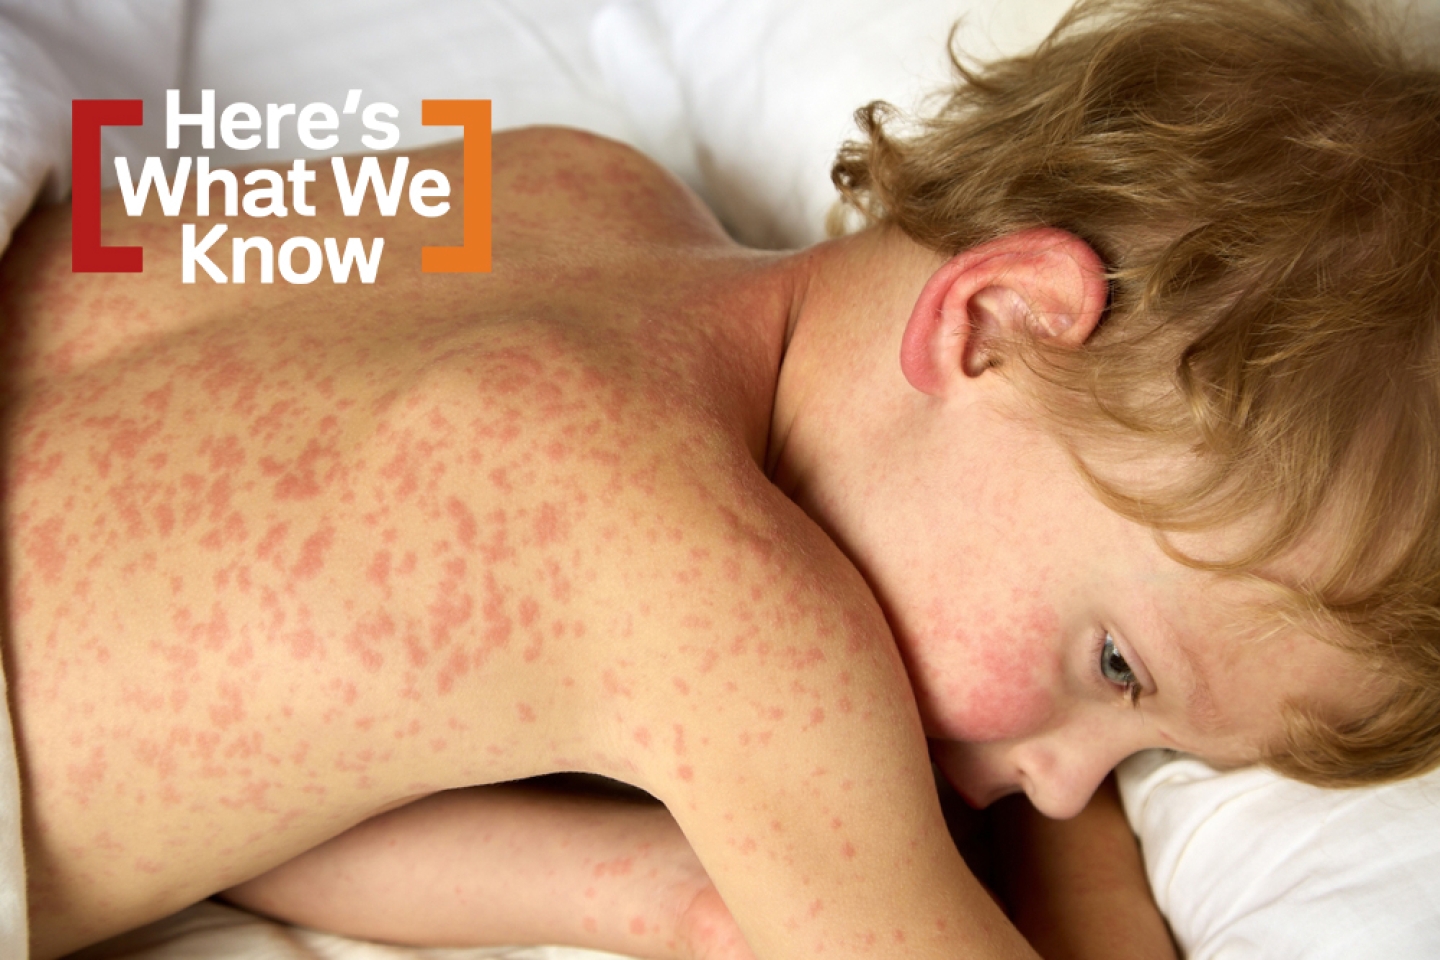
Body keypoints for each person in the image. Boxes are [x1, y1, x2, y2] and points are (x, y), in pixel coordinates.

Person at [3, 1, 1437, 958]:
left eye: (1137, 761)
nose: (1065, 790)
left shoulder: (580, 178)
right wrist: (1094, 888)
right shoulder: (724, 610)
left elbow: (260, 770)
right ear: (993, 322)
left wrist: (664, 900)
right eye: (1118, 668)